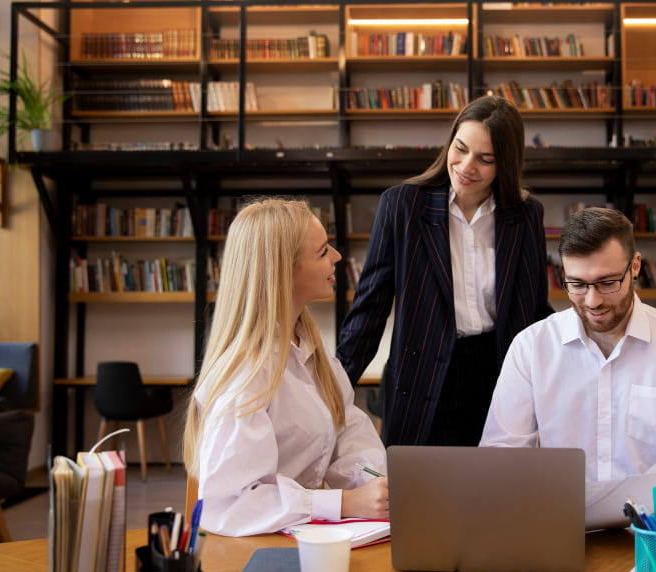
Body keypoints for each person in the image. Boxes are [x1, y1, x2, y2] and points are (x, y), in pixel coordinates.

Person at [480, 206, 656, 526]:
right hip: (562, 528)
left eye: (607, 283)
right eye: (577, 284)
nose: (593, 301)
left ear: (635, 266)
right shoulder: (531, 348)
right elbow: (501, 456)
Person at [336, 95, 553, 446]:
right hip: (420, 372)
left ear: (506, 163)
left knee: (492, 477)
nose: (466, 166)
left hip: (497, 372)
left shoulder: (525, 215)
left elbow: (534, 310)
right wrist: (330, 393)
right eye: (460, 149)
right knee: (414, 479)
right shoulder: (402, 205)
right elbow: (369, 309)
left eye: (485, 159)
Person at [183, 199, 388, 537]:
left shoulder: (314, 354)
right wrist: (343, 503)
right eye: (322, 252)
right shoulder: (246, 374)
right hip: (257, 550)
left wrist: (379, 485)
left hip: (299, 538)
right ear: (283, 271)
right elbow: (231, 505)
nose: (337, 256)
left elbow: (348, 436)